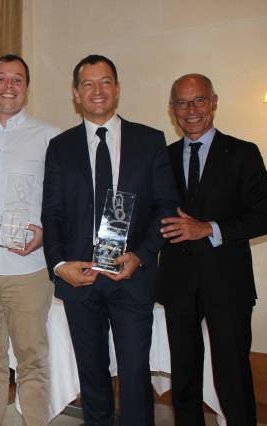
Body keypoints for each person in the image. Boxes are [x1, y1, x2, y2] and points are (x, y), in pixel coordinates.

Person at [41, 54, 179, 426]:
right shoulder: (60, 146)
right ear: (75, 93)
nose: (97, 90)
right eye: (88, 84)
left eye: (105, 82)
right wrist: (58, 266)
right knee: (92, 373)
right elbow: (51, 213)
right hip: (79, 276)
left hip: (131, 276)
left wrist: (142, 254)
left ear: (117, 88)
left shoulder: (149, 141)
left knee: (135, 372)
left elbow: (166, 206)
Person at [158, 74, 267, 426]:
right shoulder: (162, 158)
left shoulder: (243, 153)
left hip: (228, 283)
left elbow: (265, 217)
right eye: (181, 102)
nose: (190, 110)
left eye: (198, 100)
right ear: (172, 109)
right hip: (178, 283)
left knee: (232, 374)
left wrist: (208, 229)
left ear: (213, 102)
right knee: (184, 377)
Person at [0, 54, 59, 425]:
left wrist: (48, 233)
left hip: (29, 269)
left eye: (17, 79)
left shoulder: (51, 137)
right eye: (1, 78)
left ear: (26, 88)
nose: (8, 85)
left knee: (32, 360)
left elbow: (63, 203)